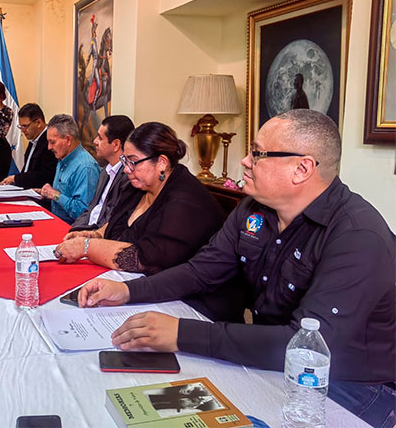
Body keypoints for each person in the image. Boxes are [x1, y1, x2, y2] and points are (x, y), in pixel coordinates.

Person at [77, 109, 395, 427]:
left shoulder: (357, 236)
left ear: (302, 168)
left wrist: (181, 333)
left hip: (350, 386)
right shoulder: (254, 209)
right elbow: (201, 270)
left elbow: (305, 345)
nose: (245, 161)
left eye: (258, 154)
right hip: (267, 355)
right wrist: (127, 290)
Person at [55, 122, 226, 278]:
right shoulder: (138, 185)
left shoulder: (184, 203)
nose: (126, 169)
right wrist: (95, 234)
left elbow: (142, 259)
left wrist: (86, 246)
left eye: (133, 161)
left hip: (184, 292)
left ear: (161, 162)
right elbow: (118, 223)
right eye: (125, 160)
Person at [70, 115, 134, 231]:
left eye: (100, 138)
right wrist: (72, 230)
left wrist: (86, 235)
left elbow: (112, 221)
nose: (95, 141)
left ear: (116, 145)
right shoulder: (105, 171)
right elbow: (91, 210)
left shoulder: (128, 177)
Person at [36, 114, 100, 224]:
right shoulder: (62, 159)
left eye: (53, 142)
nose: (49, 147)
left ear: (68, 140)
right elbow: (63, 196)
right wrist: (45, 193)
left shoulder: (85, 167)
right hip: (56, 222)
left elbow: (83, 212)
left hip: (73, 229)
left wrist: (54, 195)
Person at [0, 103, 56, 189]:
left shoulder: (49, 142)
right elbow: (27, 169)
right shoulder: (34, 138)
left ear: (38, 123)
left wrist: (16, 178)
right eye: (20, 126)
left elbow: (45, 175)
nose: (22, 130)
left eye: (25, 126)